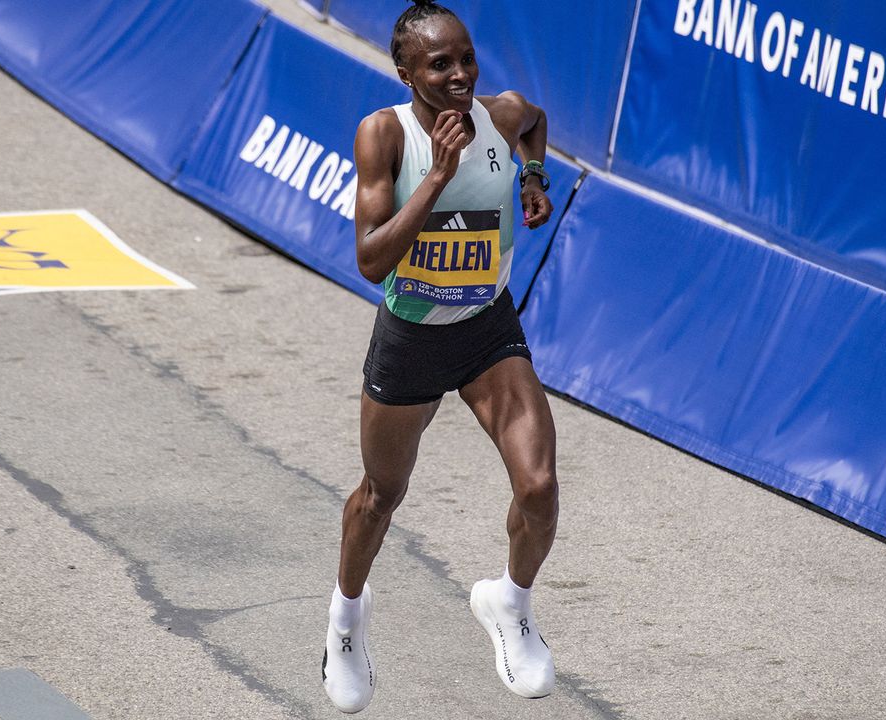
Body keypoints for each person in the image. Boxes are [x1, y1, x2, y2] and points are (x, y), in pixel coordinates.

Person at [320, 0, 559, 712]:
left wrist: (532, 179)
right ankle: (345, 622)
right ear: (405, 73)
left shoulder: (502, 114)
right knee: (378, 499)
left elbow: (536, 124)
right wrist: (437, 176)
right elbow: (370, 259)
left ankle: (510, 603)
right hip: (412, 337)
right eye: (439, 64)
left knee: (539, 487)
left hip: (487, 328)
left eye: (467, 59)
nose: (460, 75)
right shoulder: (383, 136)